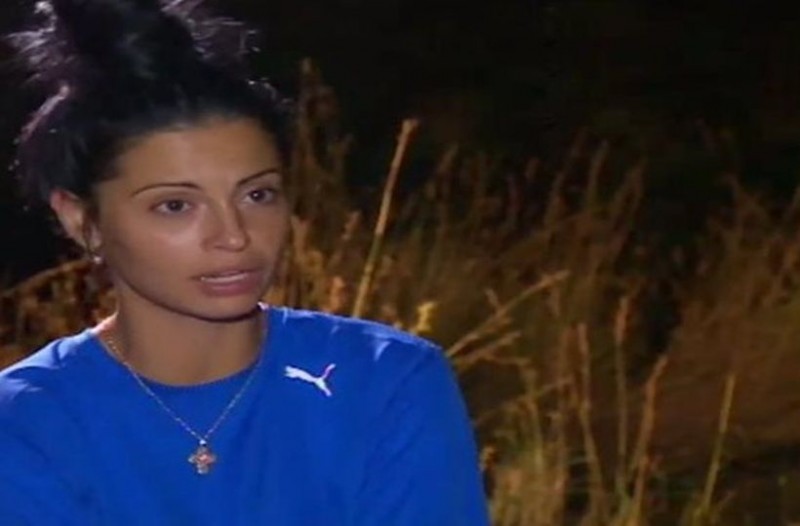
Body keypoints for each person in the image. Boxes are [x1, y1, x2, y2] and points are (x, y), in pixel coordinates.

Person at [0, 0, 490, 524]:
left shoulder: (385, 379)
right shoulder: (26, 420)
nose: (234, 236)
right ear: (81, 220)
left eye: (257, 195)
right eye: (175, 205)